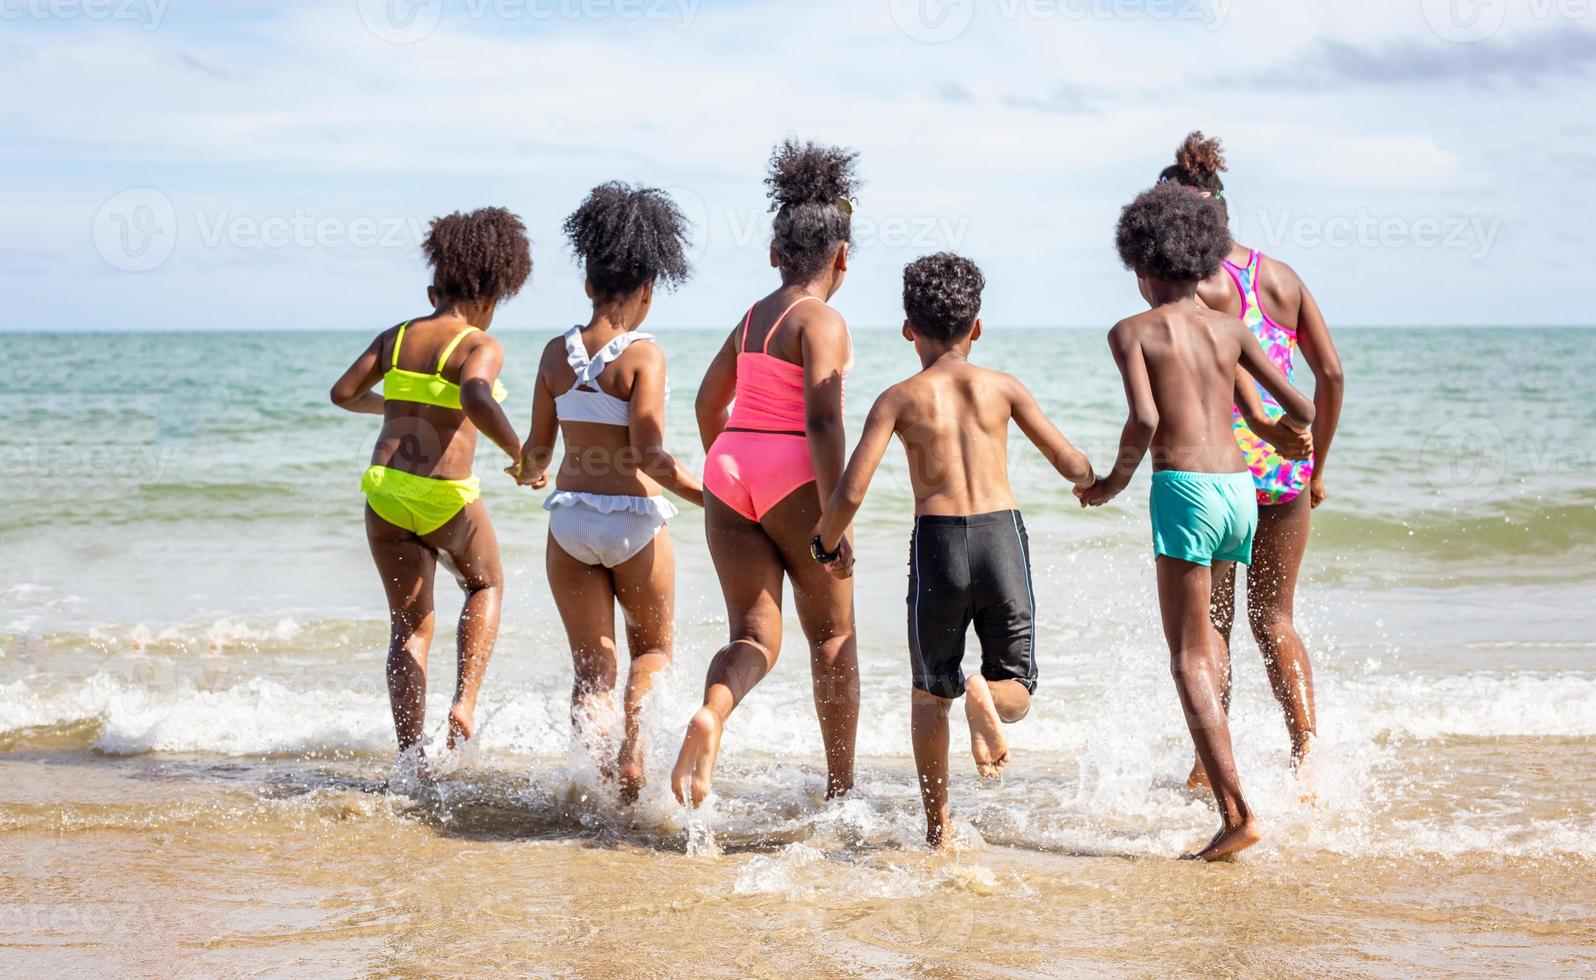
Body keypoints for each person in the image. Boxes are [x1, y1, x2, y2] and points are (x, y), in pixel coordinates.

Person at [811, 253, 1096, 849]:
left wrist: (826, 543)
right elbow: (1070, 461)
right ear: (978, 326)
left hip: (938, 544)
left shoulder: (897, 399)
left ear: (908, 328)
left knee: (928, 693)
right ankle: (987, 696)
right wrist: (1091, 478)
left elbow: (852, 489)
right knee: (1017, 685)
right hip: (1001, 540)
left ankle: (938, 829)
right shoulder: (1005, 388)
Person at [1078, 184, 1315, 861]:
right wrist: (1286, 436)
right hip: (1242, 489)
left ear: (1142, 266)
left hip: (1183, 489)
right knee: (1211, 643)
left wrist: (1110, 483)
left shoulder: (1131, 331)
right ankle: (1232, 788)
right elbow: (1297, 401)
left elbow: (1147, 420)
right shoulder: (1230, 327)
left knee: (1190, 659)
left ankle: (1236, 810)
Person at [670, 138, 862, 807]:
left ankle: (712, 714)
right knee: (832, 635)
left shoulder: (752, 316)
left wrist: (727, 476)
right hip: (791, 472)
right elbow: (825, 424)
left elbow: (705, 403)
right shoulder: (824, 320)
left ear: (776, 254)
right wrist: (836, 519)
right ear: (842, 256)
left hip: (730, 464)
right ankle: (840, 793)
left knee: (752, 637)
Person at [1157, 132, 1346, 786]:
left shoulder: (1191, 290)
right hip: (1287, 471)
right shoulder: (1281, 276)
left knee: (1216, 626)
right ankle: (1308, 758)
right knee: (1277, 620)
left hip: (1221, 468)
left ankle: (1213, 770)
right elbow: (1331, 373)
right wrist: (1316, 465)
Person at [512, 182, 704, 802]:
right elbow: (651, 455)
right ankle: (632, 760)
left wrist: (527, 470)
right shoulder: (644, 356)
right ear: (647, 288)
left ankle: (587, 787)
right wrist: (712, 498)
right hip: (633, 523)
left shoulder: (552, 354)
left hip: (568, 522)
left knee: (592, 670)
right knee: (651, 651)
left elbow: (538, 450)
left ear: (589, 285)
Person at [329, 207, 532, 765]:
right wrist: (522, 455)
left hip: (386, 492)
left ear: (431, 289)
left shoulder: (395, 337)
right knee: (485, 585)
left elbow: (342, 393)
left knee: (409, 627)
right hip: (445, 496)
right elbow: (476, 396)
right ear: (493, 296)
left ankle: (410, 760)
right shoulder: (479, 345)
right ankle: (464, 702)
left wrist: (390, 409)